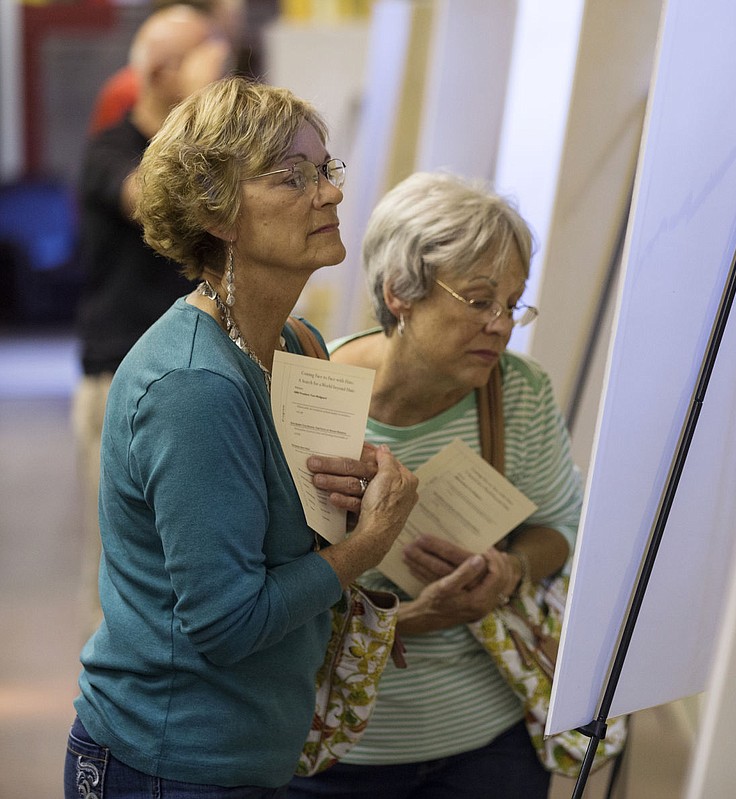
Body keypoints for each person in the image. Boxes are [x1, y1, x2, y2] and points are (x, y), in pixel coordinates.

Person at [65, 76, 422, 796]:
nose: (329, 194)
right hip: (166, 760)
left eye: (326, 169)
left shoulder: (296, 343)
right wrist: (369, 542)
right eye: (293, 177)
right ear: (218, 213)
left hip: (249, 752)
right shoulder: (195, 385)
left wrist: (346, 505)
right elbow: (228, 622)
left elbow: (285, 541)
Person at [288, 172, 583, 799]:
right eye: (479, 301)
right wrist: (403, 620)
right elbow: (260, 586)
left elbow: (561, 527)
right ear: (401, 293)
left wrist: (509, 570)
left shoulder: (519, 392)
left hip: (489, 746)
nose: (502, 326)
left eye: (513, 303)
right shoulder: (313, 395)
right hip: (334, 754)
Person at [71, 2, 231, 631]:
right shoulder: (109, 151)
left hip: (199, 378)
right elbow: (152, 199)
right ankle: (110, 704)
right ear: (162, 70)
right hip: (119, 380)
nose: (218, 58)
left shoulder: (208, 161)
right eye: (203, 49)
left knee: (194, 553)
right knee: (121, 557)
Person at [88, 0, 256, 136]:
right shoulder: (112, 148)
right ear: (158, 74)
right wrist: (200, 100)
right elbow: (167, 176)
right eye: (202, 64)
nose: (216, 75)